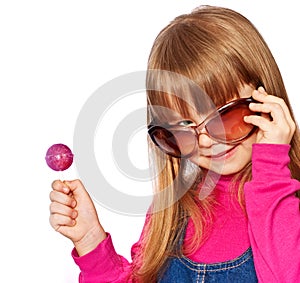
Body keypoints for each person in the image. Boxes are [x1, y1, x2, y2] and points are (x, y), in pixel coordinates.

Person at [49, 5, 300, 282]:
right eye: (183, 127)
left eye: (225, 115)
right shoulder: (170, 213)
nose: (206, 140)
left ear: (265, 100)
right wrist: (90, 241)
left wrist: (271, 170)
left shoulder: (290, 203)